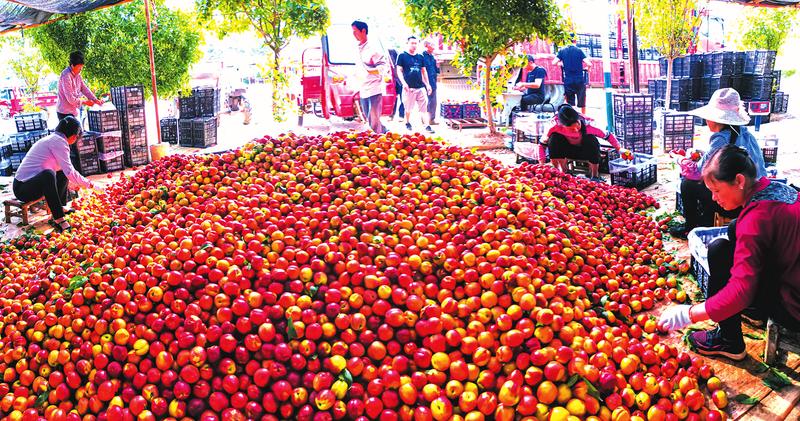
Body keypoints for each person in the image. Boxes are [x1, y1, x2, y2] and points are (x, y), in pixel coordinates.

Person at [658, 145, 800, 360]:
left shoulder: (756, 219)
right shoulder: (777, 189)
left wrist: (689, 313)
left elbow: (741, 292)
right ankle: (755, 311)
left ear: (739, 181)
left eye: (716, 190)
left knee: (719, 250)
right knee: (734, 228)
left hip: (794, 308)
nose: (713, 198)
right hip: (792, 275)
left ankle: (729, 340)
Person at [670, 88, 767, 239]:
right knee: (712, 183)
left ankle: (692, 227)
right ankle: (705, 221)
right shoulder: (745, 133)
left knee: (688, 184)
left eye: (709, 118)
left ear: (716, 119)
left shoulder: (720, 138)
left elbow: (696, 172)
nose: (706, 121)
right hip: (754, 194)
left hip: (737, 200)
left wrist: (678, 158)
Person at [13, 116, 97, 232]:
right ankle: (59, 219)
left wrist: (75, 183)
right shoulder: (59, 142)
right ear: (74, 136)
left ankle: (60, 207)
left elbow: (66, 170)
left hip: (31, 183)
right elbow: (70, 172)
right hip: (22, 189)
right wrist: (90, 184)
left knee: (60, 171)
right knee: (48, 175)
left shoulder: (55, 139)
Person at [545, 104, 620, 182]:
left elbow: (608, 136)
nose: (576, 130)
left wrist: (619, 149)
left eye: (578, 125)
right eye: (571, 129)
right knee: (554, 139)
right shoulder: (554, 126)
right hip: (566, 151)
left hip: (585, 151)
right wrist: (541, 166)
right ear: (562, 125)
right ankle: (563, 172)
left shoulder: (589, 124)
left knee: (591, 139)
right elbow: (542, 145)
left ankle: (595, 175)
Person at [352, 20, 388, 133]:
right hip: (363, 88)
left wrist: (370, 71)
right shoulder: (356, 49)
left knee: (374, 119)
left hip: (374, 88)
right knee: (368, 119)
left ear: (363, 31)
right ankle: (385, 132)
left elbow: (383, 67)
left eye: (355, 31)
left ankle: (379, 139)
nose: (354, 34)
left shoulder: (373, 48)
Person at [396, 36, 434, 134]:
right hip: (409, 88)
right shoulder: (402, 55)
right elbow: (399, 71)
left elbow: (423, 71)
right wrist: (404, 83)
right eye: (412, 43)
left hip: (420, 87)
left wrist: (428, 85)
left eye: (416, 43)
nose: (414, 45)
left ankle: (427, 125)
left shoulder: (420, 57)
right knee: (408, 108)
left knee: (424, 108)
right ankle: (407, 122)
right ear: (407, 43)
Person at [56, 51, 102, 121]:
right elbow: (70, 99)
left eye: (81, 68)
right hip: (64, 113)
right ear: (72, 65)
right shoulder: (66, 76)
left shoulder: (78, 75)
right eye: (79, 68)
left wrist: (95, 100)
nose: (80, 70)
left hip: (73, 112)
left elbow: (85, 89)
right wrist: (85, 102)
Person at [553, 37, 591, 114]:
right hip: (579, 79)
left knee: (570, 103)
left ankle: (572, 117)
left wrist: (560, 64)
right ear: (575, 41)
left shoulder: (562, 51)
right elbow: (589, 64)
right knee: (582, 101)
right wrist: (588, 69)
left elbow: (554, 63)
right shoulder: (579, 50)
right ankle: (584, 116)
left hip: (568, 79)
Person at [422, 40, 440, 125]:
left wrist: (438, 64)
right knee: (426, 101)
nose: (433, 47)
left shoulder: (432, 57)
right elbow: (422, 70)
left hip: (433, 81)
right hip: (425, 82)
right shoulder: (422, 56)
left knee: (433, 101)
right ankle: (426, 119)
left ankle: (431, 119)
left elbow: (436, 70)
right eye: (432, 45)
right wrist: (426, 83)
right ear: (426, 46)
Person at [388, 49, 404, 121]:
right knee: (393, 98)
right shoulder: (388, 63)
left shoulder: (399, 62)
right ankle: (391, 115)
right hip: (393, 81)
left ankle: (401, 115)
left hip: (400, 81)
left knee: (402, 98)